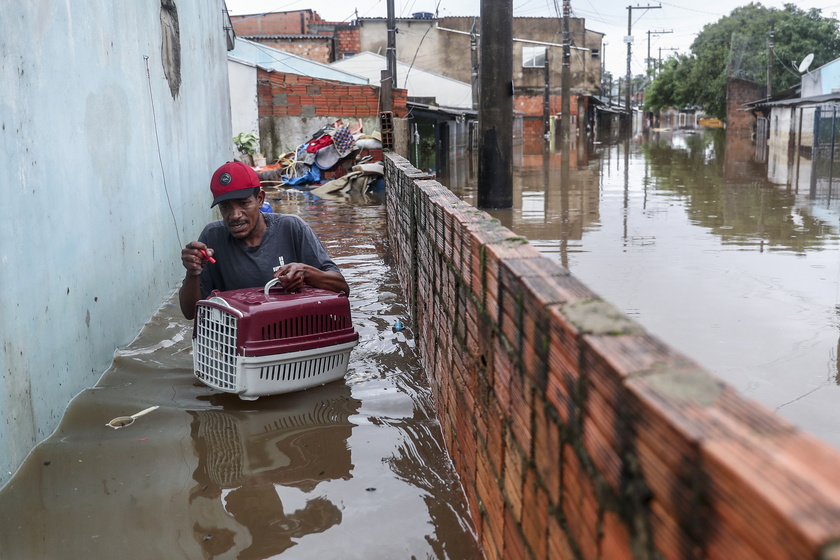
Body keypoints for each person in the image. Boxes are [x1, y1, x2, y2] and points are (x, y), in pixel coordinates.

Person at [179, 161, 349, 319]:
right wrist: (193, 272)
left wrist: (307, 274)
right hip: (242, 342)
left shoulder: (292, 228)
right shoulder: (212, 237)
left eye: (243, 204)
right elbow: (190, 313)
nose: (235, 215)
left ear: (260, 199)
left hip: (294, 330)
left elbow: (342, 288)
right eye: (225, 207)